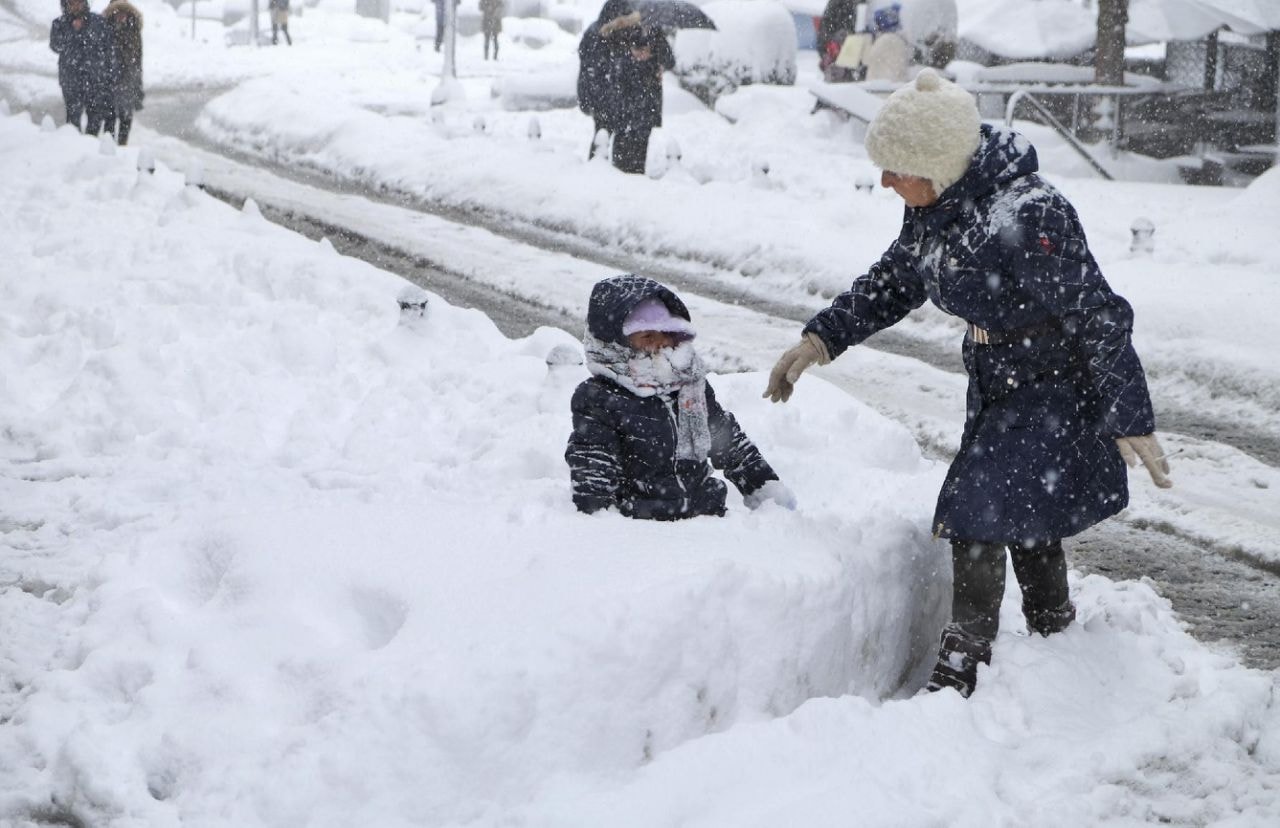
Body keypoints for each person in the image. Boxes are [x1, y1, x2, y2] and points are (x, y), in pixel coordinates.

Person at [763, 70, 1173, 698]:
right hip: (994, 381)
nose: (884, 182)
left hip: (1052, 383)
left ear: (937, 163)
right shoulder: (933, 208)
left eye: (896, 168)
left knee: (979, 505)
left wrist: (1130, 412)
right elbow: (896, 279)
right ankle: (1055, 638)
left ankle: (965, 661)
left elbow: (1096, 314)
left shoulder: (1030, 213)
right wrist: (821, 339)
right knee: (1025, 510)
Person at [568, 275, 795, 520]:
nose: (660, 343)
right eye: (647, 336)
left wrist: (764, 489)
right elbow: (594, 468)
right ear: (616, 344)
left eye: (666, 333)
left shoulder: (689, 385)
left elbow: (726, 441)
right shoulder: (599, 398)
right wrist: (602, 521)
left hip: (707, 514)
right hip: (643, 524)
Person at [577, 0, 674, 174]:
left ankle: (613, 181)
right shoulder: (602, 34)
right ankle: (602, 179)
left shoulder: (650, 29)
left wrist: (653, 54)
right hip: (618, 102)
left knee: (628, 153)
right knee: (606, 145)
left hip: (642, 105)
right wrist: (632, 57)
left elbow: (669, 59)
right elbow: (595, 67)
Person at [49, 0, 117, 136]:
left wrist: (108, 74)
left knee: (95, 119)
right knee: (73, 119)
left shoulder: (98, 22)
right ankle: (73, 149)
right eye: (71, 3)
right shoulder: (59, 24)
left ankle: (90, 149)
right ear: (66, 4)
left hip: (95, 79)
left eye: (78, 2)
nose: (75, 6)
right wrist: (73, 32)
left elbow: (108, 48)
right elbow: (56, 46)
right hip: (70, 80)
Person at [102, 0, 142, 146]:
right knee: (109, 116)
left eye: (122, 13)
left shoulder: (133, 30)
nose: (120, 16)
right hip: (109, 80)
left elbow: (137, 58)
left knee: (126, 116)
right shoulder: (106, 29)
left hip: (127, 80)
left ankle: (122, 145)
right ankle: (109, 146)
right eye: (117, 13)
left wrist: (137, 83)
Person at [817, 0, 863, 82]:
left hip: (854, 55)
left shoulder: (863, 6)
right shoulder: (836, 4)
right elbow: (824, 31)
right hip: (837, 53)